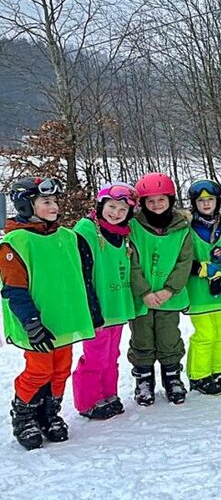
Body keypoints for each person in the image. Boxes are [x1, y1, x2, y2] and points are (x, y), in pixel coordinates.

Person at [3, 177, 99, 450]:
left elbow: (82, 278)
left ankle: (49, 412)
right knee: (39, 370)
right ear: (26, 205)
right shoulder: (16, 242)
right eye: (46, 201)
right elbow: (14, 288)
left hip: (64, 321)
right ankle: (24, 415)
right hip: (36, 323)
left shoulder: (67, 237)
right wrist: (31, 322)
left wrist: (93, 310)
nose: (54, 206)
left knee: (61, 370)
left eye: (55, 201)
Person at [71, 182, 138, 420]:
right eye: (111, 207)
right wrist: (91, 309)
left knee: (111, 356)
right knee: (95, 357)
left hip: (116, 306)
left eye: (122, 210)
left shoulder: (123, 234)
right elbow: (81, 273)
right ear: (101, 205)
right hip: (97, 308)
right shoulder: (87, 230)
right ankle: (88, 401)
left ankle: (108, 394)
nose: (116, 213)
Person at [129, 172, 195, 406]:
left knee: (169, 338)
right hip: (142, 297)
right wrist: (144, 292)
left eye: (161, 200)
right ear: (143, 203)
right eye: (150, 201)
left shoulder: (181, 228)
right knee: (142, 338)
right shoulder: (133, 227)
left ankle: (172, 376)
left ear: (170, 200)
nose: (156, 205)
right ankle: (144, 380)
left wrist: (169, 289)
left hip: (169, 296)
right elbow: (131, 262)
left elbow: (184, 262)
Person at [184, 179, 221, 396]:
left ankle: (218, 370)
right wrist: (199, 268)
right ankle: (199, 374)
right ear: (194, 203)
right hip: (199, 289)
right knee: (205, 333)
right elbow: (180, 258)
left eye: (210, 199)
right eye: (201, 201)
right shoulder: (187, 229)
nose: (206, 204)